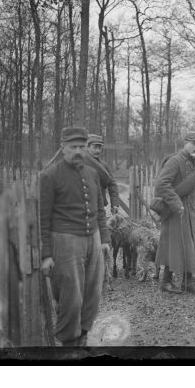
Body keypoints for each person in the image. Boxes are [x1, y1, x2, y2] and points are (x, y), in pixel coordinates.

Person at [40, 127, 111, 346]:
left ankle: (83, 337)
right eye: (73, 147)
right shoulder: (49, 175)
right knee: (71, 296)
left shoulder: (91, 173)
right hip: (66, 241)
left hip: (94, 239)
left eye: (81, 147)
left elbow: (100, 209)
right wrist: (46, 255)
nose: (78, 151)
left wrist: (105, 239)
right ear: (63, 148)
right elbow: (43, 218)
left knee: (92, 293)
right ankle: (68, 344)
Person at [153, 131, 195, 294]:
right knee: (173, 245)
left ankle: (187, 282)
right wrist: (176, 203)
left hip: (189, 211)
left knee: (191, 244)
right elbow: (161, 185)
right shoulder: (175, 161)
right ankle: (166, 282)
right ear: (185, 142)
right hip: (174, 211)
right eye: (194, 143)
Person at [83, 134, 121, 216]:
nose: (98, 151)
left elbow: (112, 184)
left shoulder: (103, 165)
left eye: (99, 148)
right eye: (95, 147)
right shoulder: (79, 163)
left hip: (99, 209)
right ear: (87, 147)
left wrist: (114, 204)